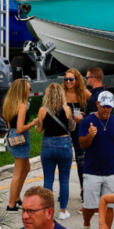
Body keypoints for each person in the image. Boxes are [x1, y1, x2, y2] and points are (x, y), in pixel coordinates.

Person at [79, 91, 114, 229]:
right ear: (97, 104)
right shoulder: (87, 121)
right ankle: (86, 226)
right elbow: (82, 144)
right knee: (89, 206)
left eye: (109, 106)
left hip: (111, 171)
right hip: (91, 170)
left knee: (110, 206)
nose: (106, 109)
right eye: (103, 105)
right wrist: (90, 135)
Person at [36, 83, 75, 220]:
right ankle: (63, 211)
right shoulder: (67, 108)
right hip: (64, 144)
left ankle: (47, 212)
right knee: (64, 180)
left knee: (48, 179)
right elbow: (71, 127)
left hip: (48, 145)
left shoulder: (43, 110)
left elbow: (39, 130)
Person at [2, 79, 37, 211]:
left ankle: (16, 197)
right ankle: (11, 204)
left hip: (12, 136)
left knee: (26, 168)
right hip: (20, 138)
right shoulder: (21, 106)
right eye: (29, 88)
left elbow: (11, 125)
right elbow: (20, 128)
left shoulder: (10, 104)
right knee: (18, 172)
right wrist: (33, 123)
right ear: (22, 90)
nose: (30, 90)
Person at [64, 69, 91, 203]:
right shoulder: (62, 93)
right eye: (66, 79)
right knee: (64, 160)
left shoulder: (83, 93)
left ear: (77, 80)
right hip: (64, 129)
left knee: (81, 161)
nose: (68, 82)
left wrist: (85, 117)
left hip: (79, 129)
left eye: (71, 79)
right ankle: (63, 191)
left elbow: (94, 104)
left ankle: (83, 190)